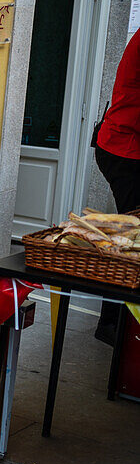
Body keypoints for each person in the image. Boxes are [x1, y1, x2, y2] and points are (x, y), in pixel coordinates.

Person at [93, 29, 140, 344]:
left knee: (131, 237)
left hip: (125, 147)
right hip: (125, 150)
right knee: (130, 240)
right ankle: (112, 323)